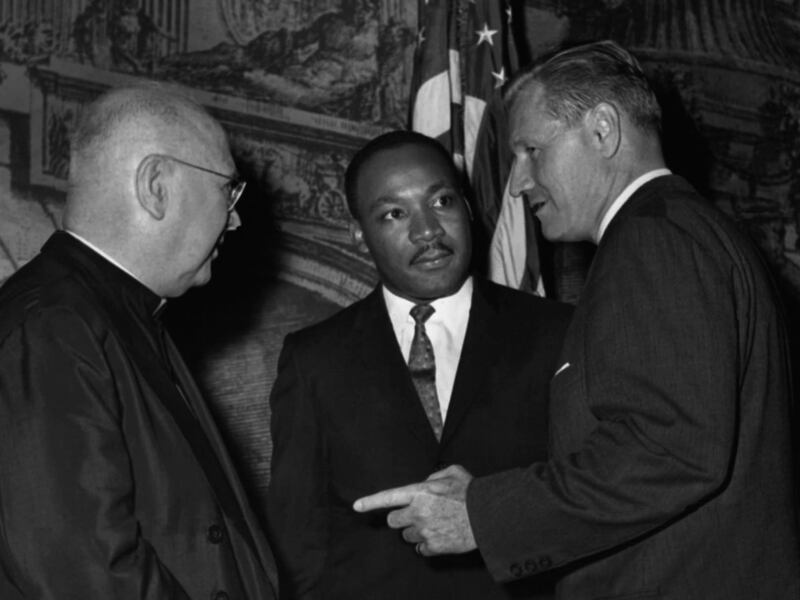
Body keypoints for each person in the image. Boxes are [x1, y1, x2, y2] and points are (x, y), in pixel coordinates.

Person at [353, 41, 800, 599]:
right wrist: (486, 495)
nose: (517, 183)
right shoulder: (681, 229)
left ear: (603, 130)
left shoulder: (653, 238)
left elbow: (670, 451)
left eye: (532, 150)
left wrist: (483, 517)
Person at [266, 130, 572, 599]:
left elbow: (592, 499)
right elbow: (299, 546)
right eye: (394, 213)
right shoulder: (314, 360)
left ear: (468, 207)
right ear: (358, 233)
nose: (427, 231)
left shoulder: (557, 332)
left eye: (442, 201)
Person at [0, 84, 279, 599]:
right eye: (228, 191)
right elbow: (88, 577)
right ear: (156, 185)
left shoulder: (106, 315)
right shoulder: (48, 330)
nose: (235, 218)